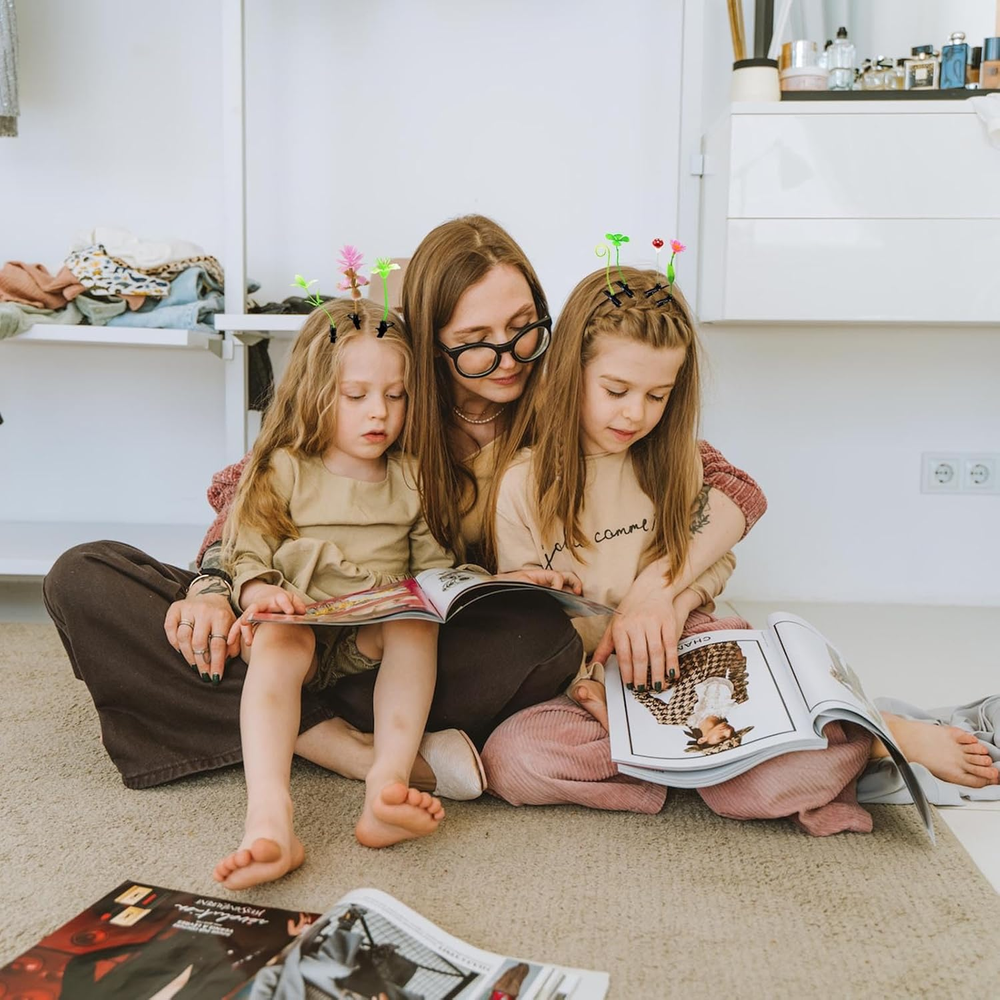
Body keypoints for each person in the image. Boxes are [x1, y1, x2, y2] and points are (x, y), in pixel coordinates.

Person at [42, 216, 767, 798]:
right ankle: (341, 745)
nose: (510, 357)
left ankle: (270, 718)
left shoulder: (572, 392)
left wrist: (658, 591)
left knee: (535, 639)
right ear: (430, 343)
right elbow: (249, 485)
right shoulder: (389, 403)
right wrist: (212, 585)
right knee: (87, 577)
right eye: (475, 343)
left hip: (414, 650)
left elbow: (726, 484)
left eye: (524, 326)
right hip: (297, 622)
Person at [482, 267, 999, 822]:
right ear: (570, 372)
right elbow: (525, 618)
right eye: (616, 390)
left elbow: (717, 560)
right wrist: (543, 608)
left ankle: (874, 735)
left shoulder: (674, 462)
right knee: (513, 761)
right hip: (589, 687)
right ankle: (698, 760)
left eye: (658, 395)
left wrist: (673, 601)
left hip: (689, 655)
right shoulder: (520, 485)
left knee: (758, 790)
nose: (636, 413)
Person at [212, 297, 461, 891]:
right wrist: (260, 591)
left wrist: (459, 588)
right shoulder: (284, 468)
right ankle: (270, 817)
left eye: (396, 395)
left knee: (416, 622)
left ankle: (385, 786)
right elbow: (245, 550)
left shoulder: (410, 477)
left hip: (365, 643)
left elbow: (432, 570)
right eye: (356, 396)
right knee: (280, 641)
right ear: (314, 391)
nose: (380, 412)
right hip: (296, 631)